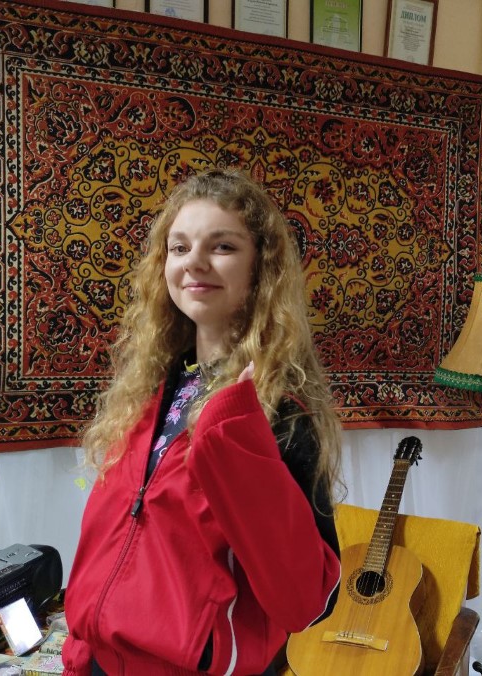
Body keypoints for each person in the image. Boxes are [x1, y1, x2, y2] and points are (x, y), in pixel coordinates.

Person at [62, 169, 343, 676]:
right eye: (179, 247)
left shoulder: (278, 409)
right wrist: (81, 651)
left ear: (261, 268)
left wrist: (236, 441)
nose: (194, 261)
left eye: (223, 246)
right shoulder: (151, 389)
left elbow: (308, 601)